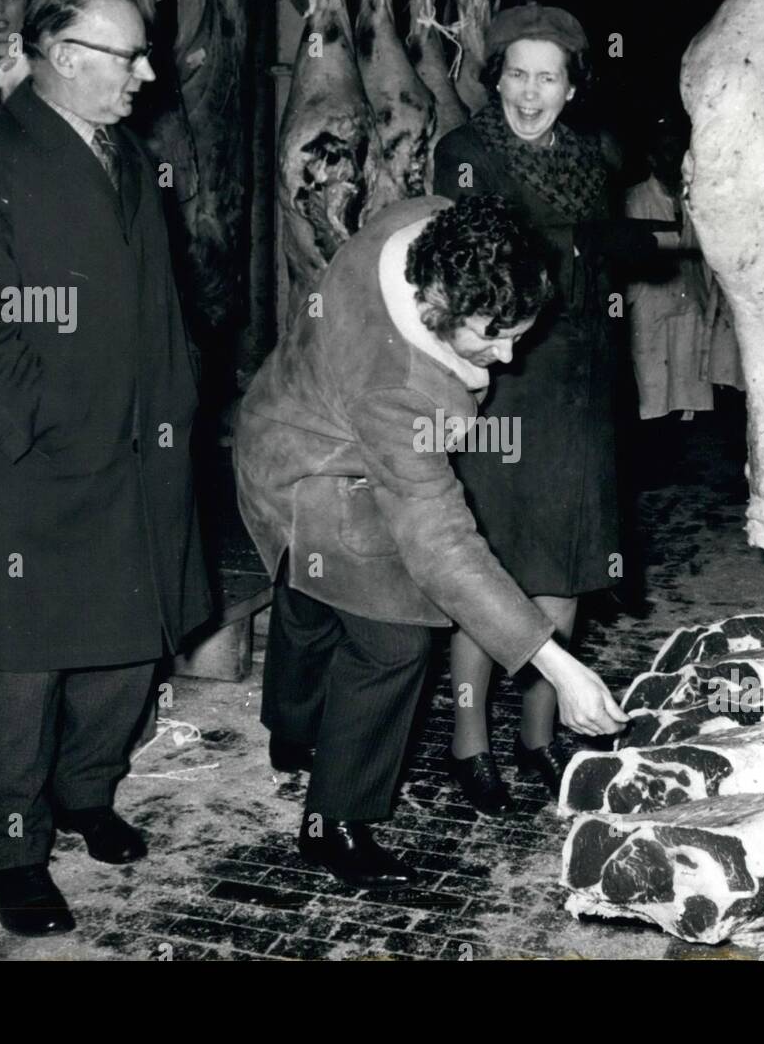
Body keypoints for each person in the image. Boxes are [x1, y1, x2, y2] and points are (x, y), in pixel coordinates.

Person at [0, 0, 210, 937]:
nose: (147, 73)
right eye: (129, 56)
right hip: (44, 456)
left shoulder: (124, 152)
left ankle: (87, 794)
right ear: (64, 55)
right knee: (29, 658)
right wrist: (38, 424)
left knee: (130, 639)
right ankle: (11, 844)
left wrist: (177, 397)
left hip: (145, 444)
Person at [233, 194, 627, 888]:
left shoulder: (426, 226)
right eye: (489, 336)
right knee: (393, 641)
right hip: (320, 472)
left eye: (517, 333)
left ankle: (292, 731)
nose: (506, 357)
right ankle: (335, 826)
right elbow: (441, 540)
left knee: (309, 594)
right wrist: (559, 666)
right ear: (438, 303)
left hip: (278, 415)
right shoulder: (401, 387)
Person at [432, 5, 666, 814]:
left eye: (548, 77)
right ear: (494, 77)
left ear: (571, 87)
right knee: (494, 567)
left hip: (583, 387)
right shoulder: (464, 154)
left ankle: (538, 734)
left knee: (566, 563)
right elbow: (478, 263)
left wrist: (628, 244)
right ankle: (469, 743)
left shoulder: (595, 156)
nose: (530, 93)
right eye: (516, 75)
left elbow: (607, 251)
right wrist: (585, 243)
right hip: (507, 380)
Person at [625, 109, 743, 421]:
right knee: (652, 395)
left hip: (691, 303)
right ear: (651, 159)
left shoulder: (697, 199)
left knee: (690, 392)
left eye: (678, 152)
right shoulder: (633, 199)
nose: (674, 159)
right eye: (666, 152)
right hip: (650, 310)